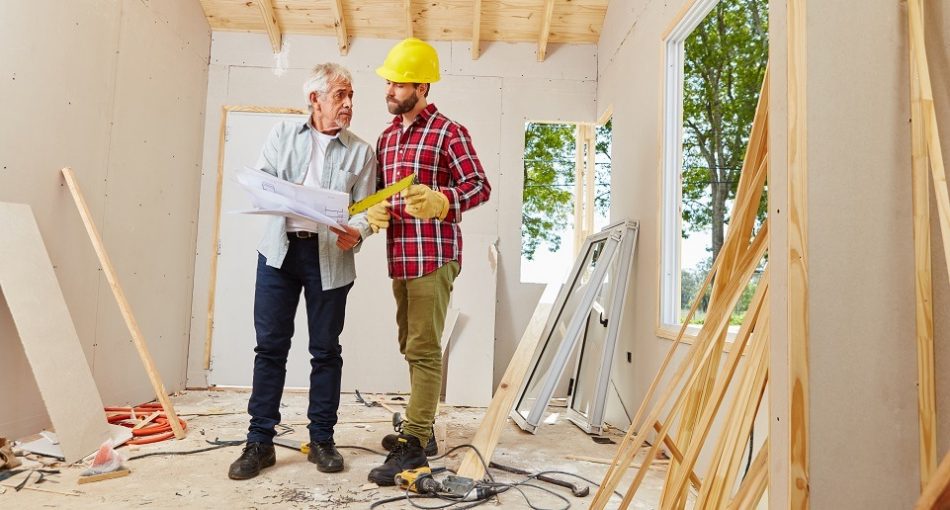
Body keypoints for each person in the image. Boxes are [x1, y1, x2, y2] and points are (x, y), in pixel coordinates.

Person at [228, 63, 376, 480]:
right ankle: (260, 442)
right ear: (315, 99)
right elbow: (262, 184)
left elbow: (366, 211)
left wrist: (357, 231)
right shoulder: (281, 135)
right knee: (270, 348)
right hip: (279, 253)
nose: (348, 104)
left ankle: (322, 440)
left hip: (330, 258)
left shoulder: (362, 152)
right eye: (339, 96)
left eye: (351, 97)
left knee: (326, 351)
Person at [365, 38, 492, 485]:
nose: (390, 88)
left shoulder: (448, 132)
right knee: (411, 345)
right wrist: (371, 211)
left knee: (422, 350)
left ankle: (415, 444)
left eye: (398, 82)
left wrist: (443, 201)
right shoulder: (387, 136)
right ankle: (425, 428)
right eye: (388, 81)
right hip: (399, 257)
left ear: (421, 85)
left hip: (434, 256)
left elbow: (479, 186)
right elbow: (380, 194)